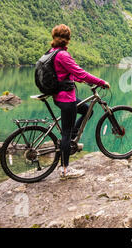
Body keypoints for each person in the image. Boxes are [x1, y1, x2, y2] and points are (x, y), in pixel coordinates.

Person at [49, 24, 110, 179]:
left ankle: (72, 139)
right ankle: (65, 170)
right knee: (66, 133)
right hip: (66, 98)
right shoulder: (63, 55)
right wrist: (101, 82)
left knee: (87, 110)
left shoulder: (52, 52)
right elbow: (80, 72)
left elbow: (65, 73)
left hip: (59, 95)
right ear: (68, 39)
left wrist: (80, 80)